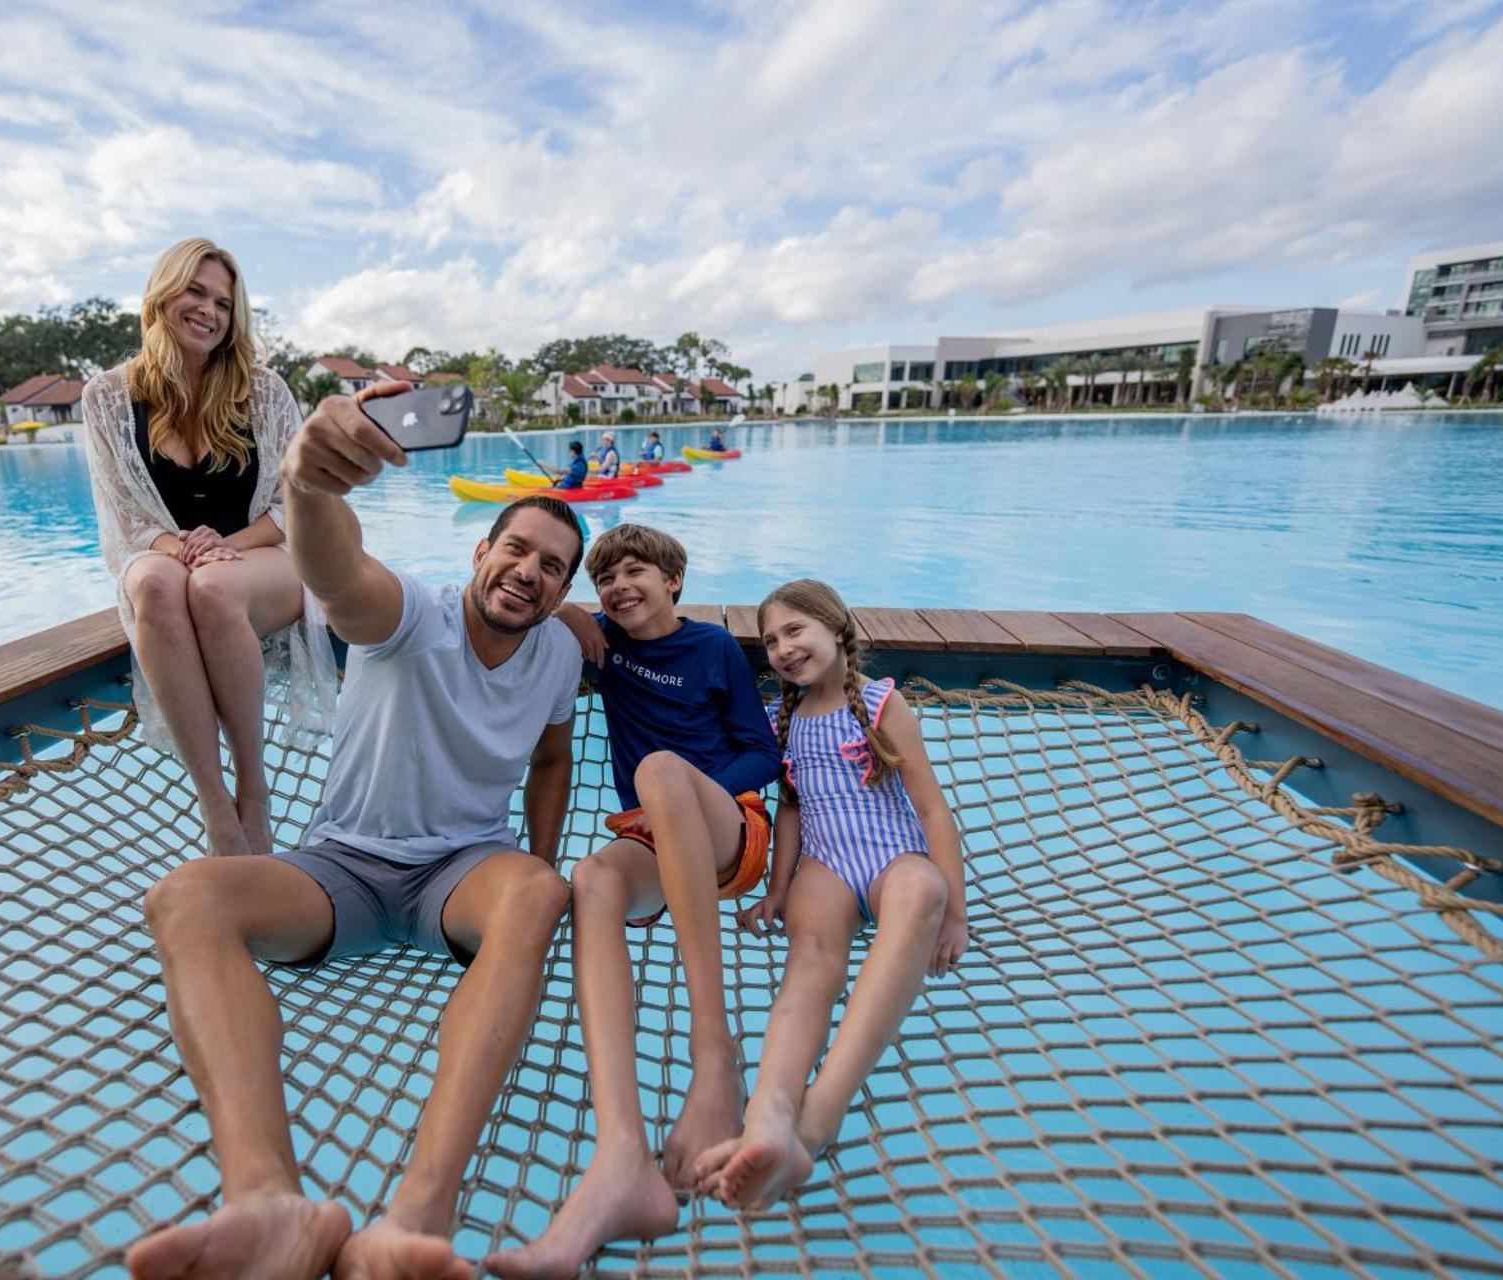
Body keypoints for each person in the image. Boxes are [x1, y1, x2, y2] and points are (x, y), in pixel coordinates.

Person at [127, 382, 587, 1280]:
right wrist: (305, 484)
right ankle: (268, 1201)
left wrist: (534, 866)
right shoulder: (409, 617)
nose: (530, 572)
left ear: (565, 589)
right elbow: (338, 574)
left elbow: (552, 760)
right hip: (343, 867)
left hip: (462, 871)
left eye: (554, 567)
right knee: (184, 897)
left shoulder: (563, 650)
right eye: (517, 550)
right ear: (482, 551)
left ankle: (417, 1218)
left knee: (542, 891)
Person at [489, 524, 780, 1279]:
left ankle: (714, 1060)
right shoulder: (606, 651)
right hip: (649, 837)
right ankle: (621, 1154)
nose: (621, 587)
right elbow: (529, 602)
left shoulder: (713, 648)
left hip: (728, 828)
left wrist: (693, 790)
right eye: (607, 578)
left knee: (658, 766)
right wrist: (572, 615)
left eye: (637, 572)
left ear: (674, 581)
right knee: (592, 879)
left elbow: (762, 749)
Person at [690, 578, 967, 1209]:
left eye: (795, 631)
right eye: (770, 640)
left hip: (892, 852)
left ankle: (814, 1122)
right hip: (826, 864)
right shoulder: (777, 721)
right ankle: (767, 1116)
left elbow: (930, 809)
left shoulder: (880, 704)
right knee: (809, 965)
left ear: (838, 630)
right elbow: (789, 811)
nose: (783, 649)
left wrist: (956, 911)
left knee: (920, 890)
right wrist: (778, 891)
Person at [82, 236, 332, 859]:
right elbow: (122, 519)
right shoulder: (107, 397)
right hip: (168, 558)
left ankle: (254, 788)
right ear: (162, 294)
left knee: (214, 585)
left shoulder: (265, 390)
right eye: (196, 291)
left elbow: (294, 505)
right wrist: (184, 549)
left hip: (262, 555)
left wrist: (223, 546)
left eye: (223, 301)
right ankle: (214, 804)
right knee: (152, 583)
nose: (210, 311)